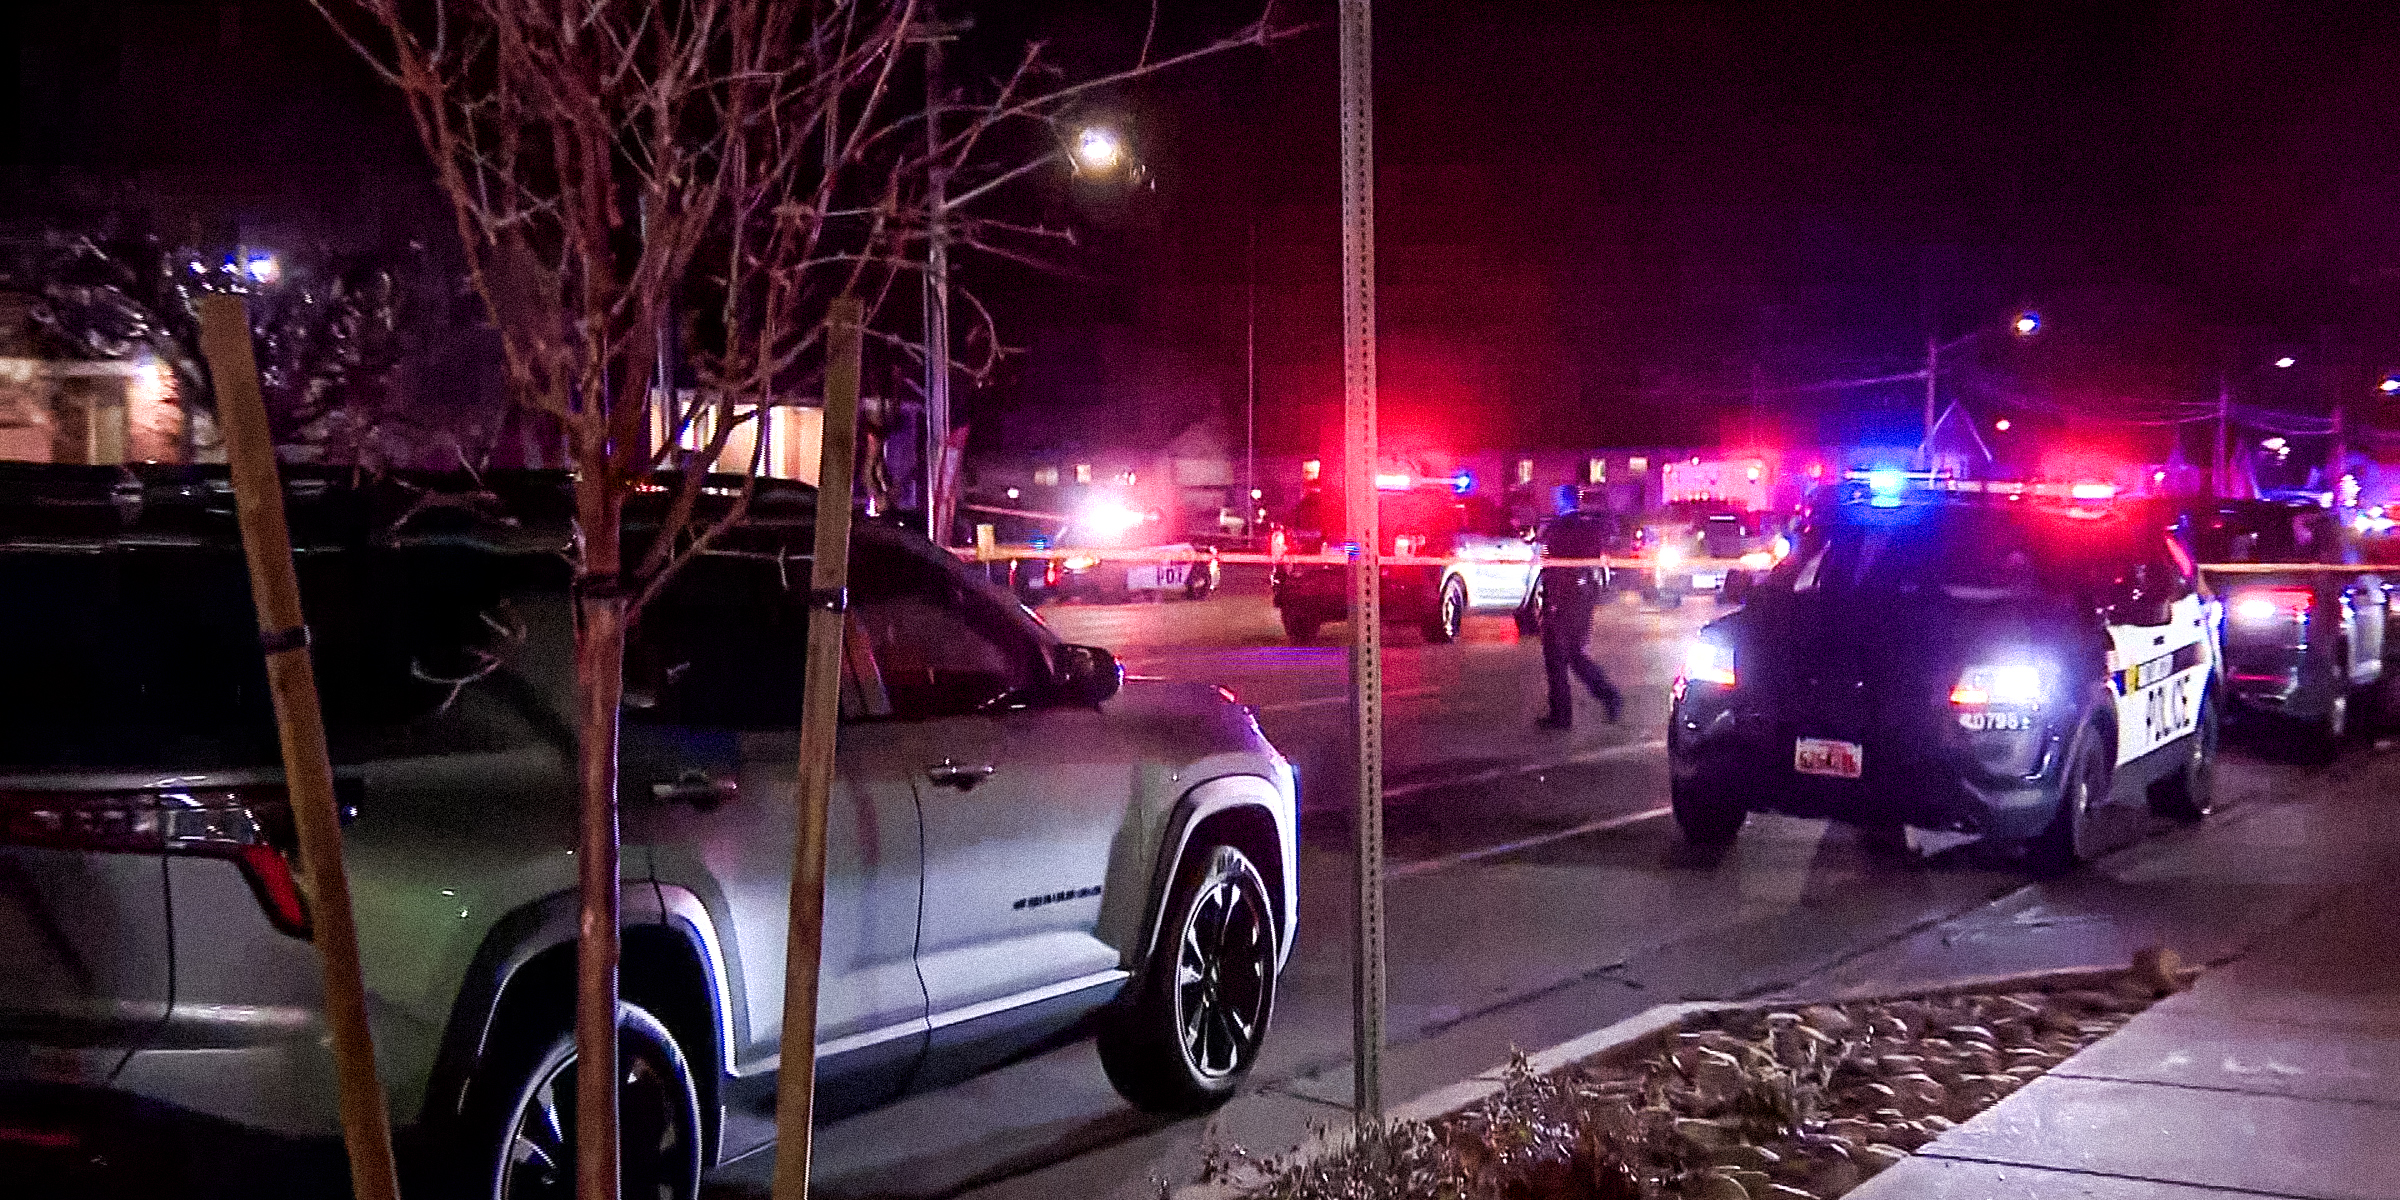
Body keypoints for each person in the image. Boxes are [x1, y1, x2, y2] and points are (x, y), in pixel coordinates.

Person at [1535, 502, 1623, 729]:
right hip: (1571, 598)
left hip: (1568, 599)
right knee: (1557, 656)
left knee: (1570, 655)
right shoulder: (1575, 531)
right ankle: (1561, 714)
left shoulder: (1560, 532)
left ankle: (1608, 696)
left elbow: (1552, 567)